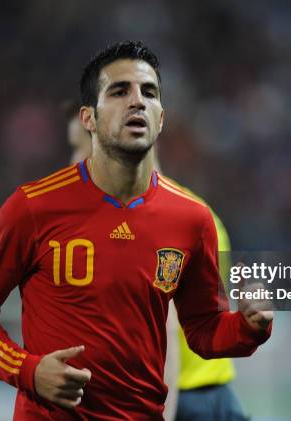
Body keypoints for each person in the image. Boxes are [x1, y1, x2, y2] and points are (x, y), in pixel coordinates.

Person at [0, 40, 273, 420]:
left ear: (161, 118)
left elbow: (203, 331)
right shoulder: (32, 207)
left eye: (148, 92)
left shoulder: (192, 220)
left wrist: (249, 327)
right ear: (88, 118)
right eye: (119, 91)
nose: (137, 101)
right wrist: (28, 370)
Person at [65, 101, 249, 421]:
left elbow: (163, 331)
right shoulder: (202, 216)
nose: (72, 163)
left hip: (175, 400)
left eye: (82, 149)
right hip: (213, 397)